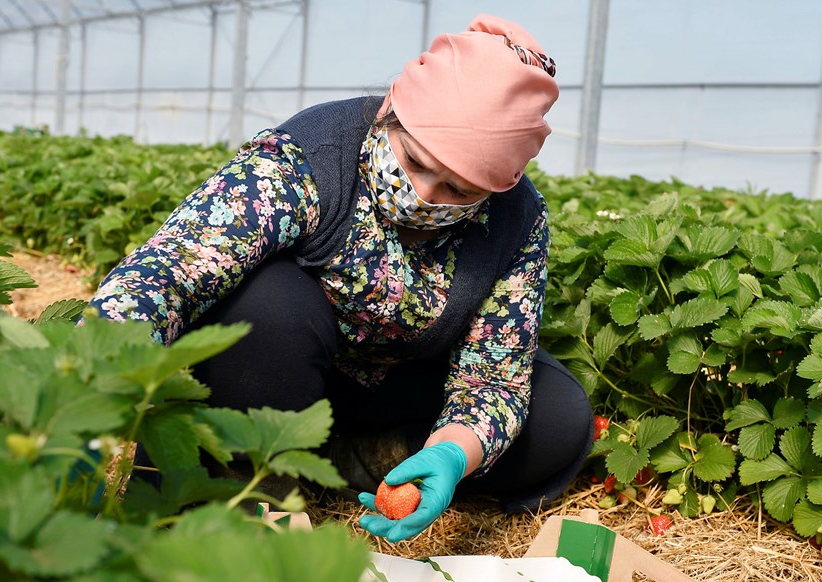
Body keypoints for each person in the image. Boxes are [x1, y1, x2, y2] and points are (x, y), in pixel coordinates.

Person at [87, 14, 593, 543]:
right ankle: (257, 476)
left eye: (460, 191)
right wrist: (88, 391)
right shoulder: (309, 157)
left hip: (391, 391)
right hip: (269, 376)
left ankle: (366, 459)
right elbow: (169, 272)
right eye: (416, 162)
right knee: (269, 304)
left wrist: (451, 451)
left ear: (497, 188)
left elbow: (493, 376)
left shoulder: (516, 220)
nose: (426, 195)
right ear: (390, 111)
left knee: (556, 419)